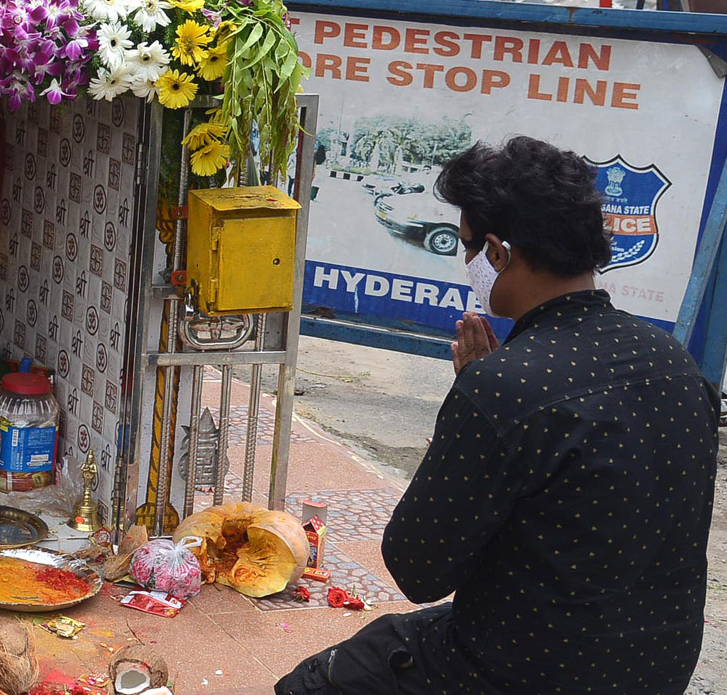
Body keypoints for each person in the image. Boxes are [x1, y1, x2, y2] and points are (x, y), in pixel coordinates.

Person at [275, 136, 719, 695]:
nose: (466, 265)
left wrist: (474, 402)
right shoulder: (672, 361)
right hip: (653, 666)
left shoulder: (505, 387)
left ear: (497, 253)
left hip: (524, 670)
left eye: (466, 248)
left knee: (315, 683)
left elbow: (418, 570)